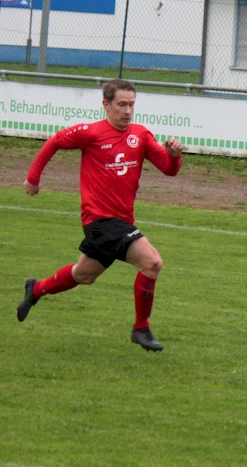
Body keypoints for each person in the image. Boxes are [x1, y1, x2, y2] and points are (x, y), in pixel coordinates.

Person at [16, 79, 184, 352]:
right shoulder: (92, 133)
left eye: (131, 104)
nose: (127, 110)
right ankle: (141, 329)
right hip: (99, 221)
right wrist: (33, 179)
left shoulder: (140, 135)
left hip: (120, 222)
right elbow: (55, 141)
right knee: (152, 263)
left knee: (84, 275)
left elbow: (168, 169)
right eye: (121, 104)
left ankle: (35, 290)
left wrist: (174, 155)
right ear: (106, 104)